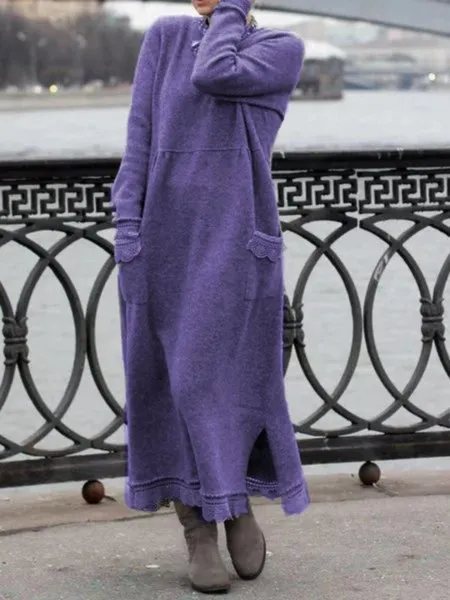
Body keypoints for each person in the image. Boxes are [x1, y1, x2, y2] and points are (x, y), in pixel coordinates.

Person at [112, 0, 309, 593]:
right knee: (169, 385)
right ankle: (198, 528)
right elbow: (140, 136)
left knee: (217, 383)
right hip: (160, 241)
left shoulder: (279, 49)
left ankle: (234, 504)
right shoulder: (164, 37)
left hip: (236, 241)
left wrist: (230, 11)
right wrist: (127, 228)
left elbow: (213, 73)